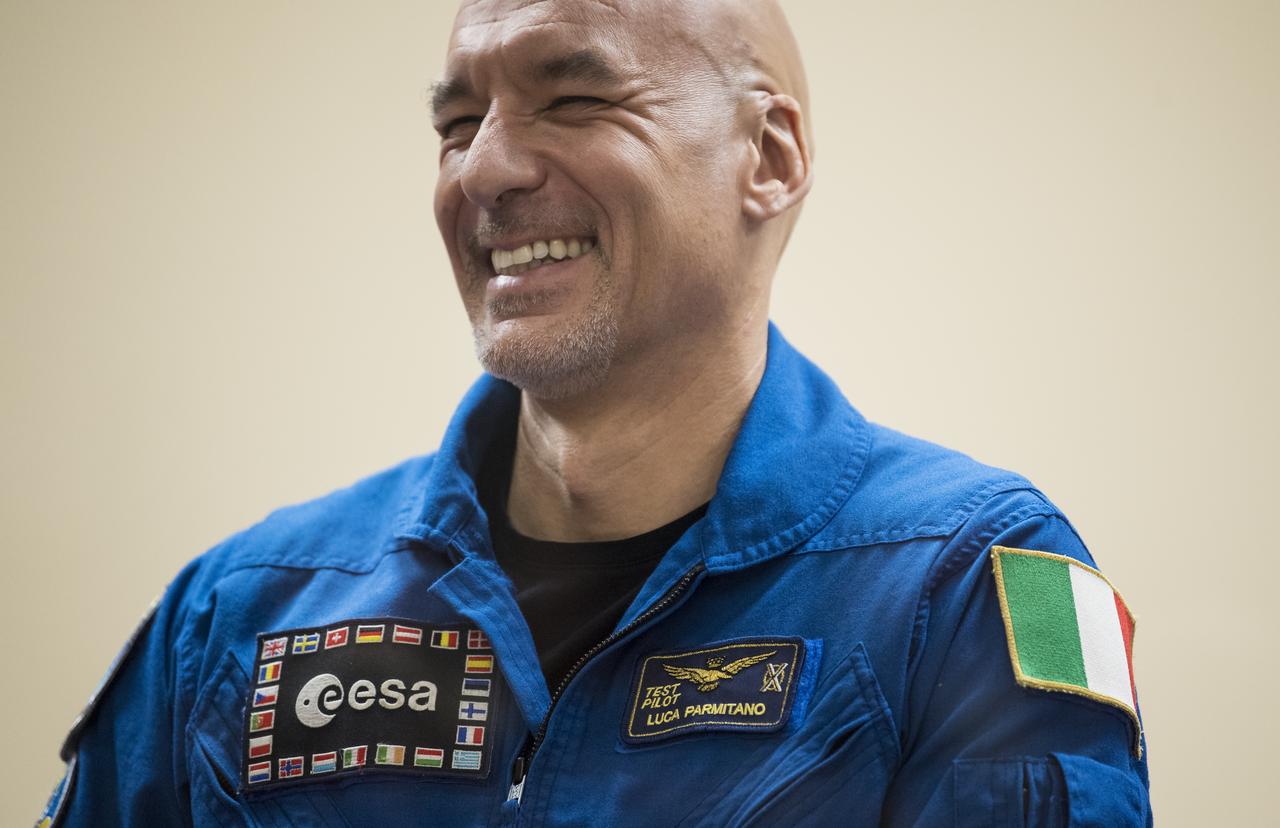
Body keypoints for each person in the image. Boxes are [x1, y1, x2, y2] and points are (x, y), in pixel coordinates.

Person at [37, 1, 1152, 825]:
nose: (485, 170)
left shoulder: (972, 581)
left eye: (573, 101)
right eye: (456, 122)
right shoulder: (238, 611)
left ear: (766, 157)